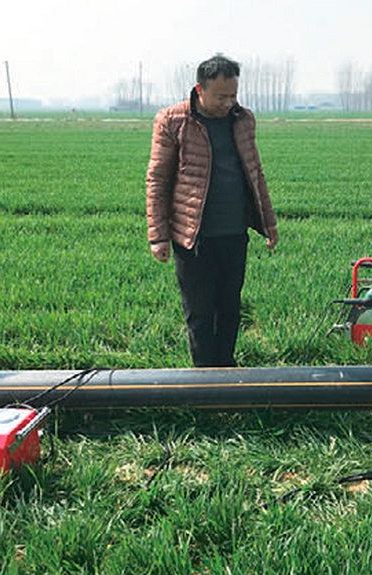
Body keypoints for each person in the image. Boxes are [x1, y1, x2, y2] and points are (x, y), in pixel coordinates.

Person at [146, 55, 278, 367]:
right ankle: (205, 378)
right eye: (221, 97)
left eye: (233, 95)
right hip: (193, 238)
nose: (228, 103)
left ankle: (226, 370)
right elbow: (158, 180)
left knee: (230, 309)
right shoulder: (172, 120)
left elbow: (255, 173)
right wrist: (158, 237)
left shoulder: (243, 120)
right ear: (200, 90)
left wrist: (269, 224)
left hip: (234, 233)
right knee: (200, 314)